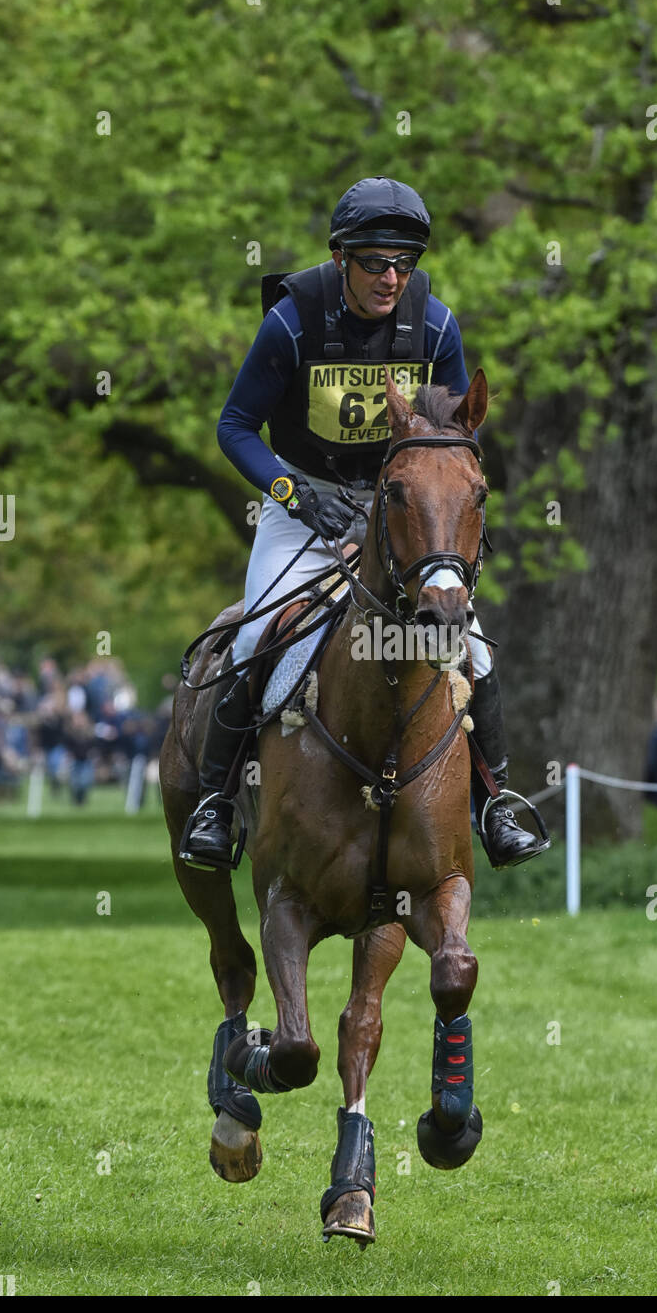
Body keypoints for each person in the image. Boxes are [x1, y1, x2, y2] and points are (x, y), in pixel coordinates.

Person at [181, 176, 549, 871]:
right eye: (376, 262)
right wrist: (293, 492)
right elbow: (234, 427)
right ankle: (215, 804)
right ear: (342, 256)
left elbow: (451, 438)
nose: (391, 278)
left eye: (403, 265)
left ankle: (496, 804)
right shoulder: (291, 322)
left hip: (397, 515)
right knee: (258, 633)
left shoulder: (435, 325)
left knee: (471, 645)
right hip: (303, 507)